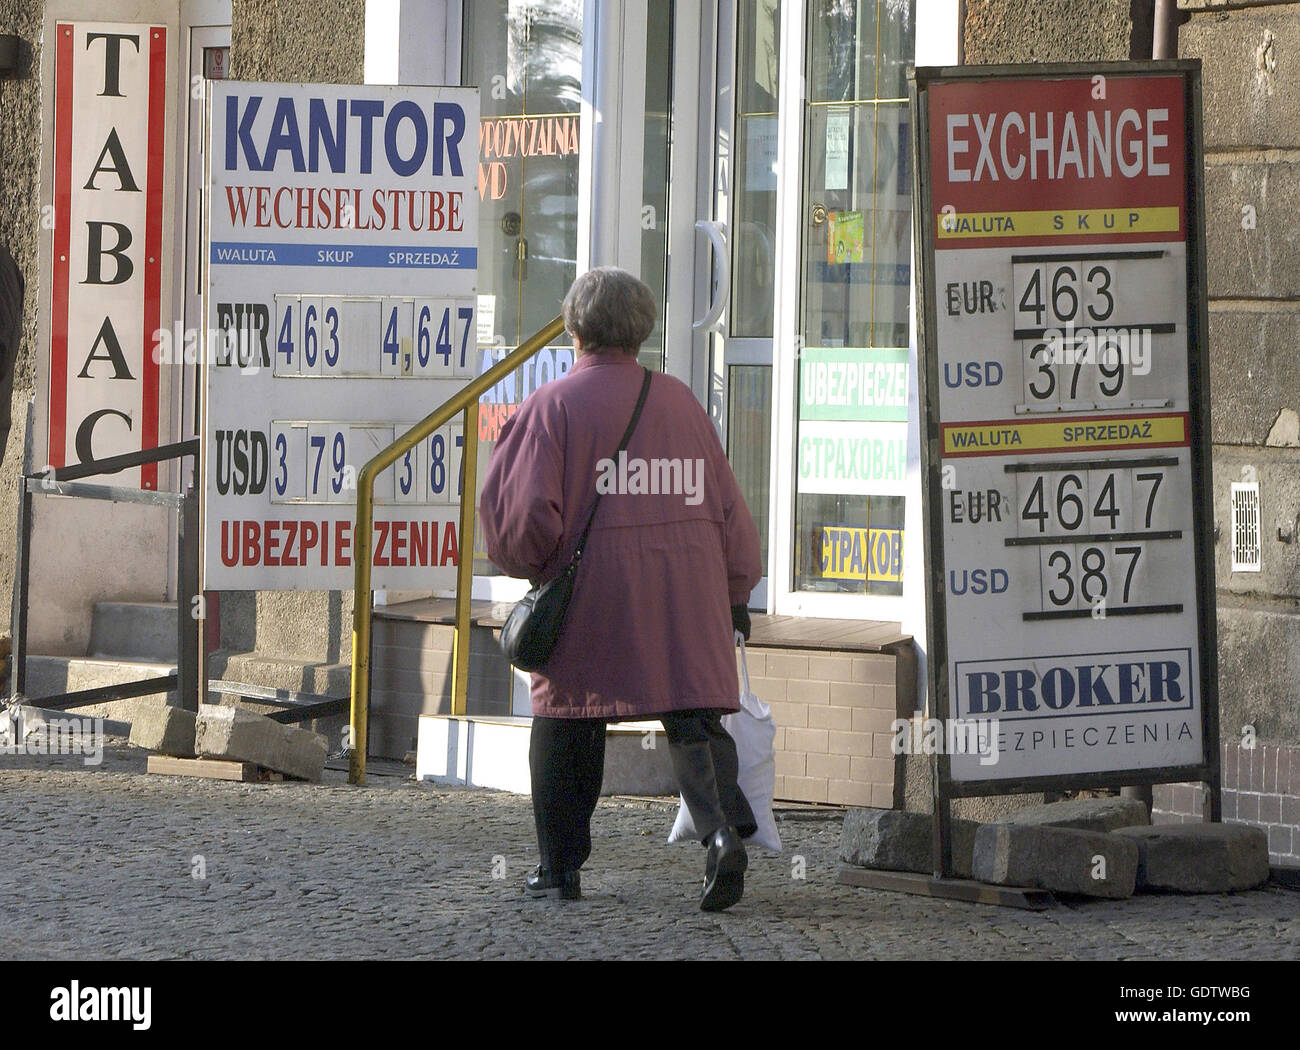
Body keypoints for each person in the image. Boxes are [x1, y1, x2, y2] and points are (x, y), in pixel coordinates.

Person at [479, 267, 763, 912]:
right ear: (644, 329)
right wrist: (736, 592)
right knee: (693, 713)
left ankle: (560, 868)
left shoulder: (552, 406)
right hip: (684, 594)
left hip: (592, 600)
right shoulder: (681, 402)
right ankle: (721, 839)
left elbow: (523, 520)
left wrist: (531, 565)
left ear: (573, 327)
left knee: (566, 723)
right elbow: (727, 505)